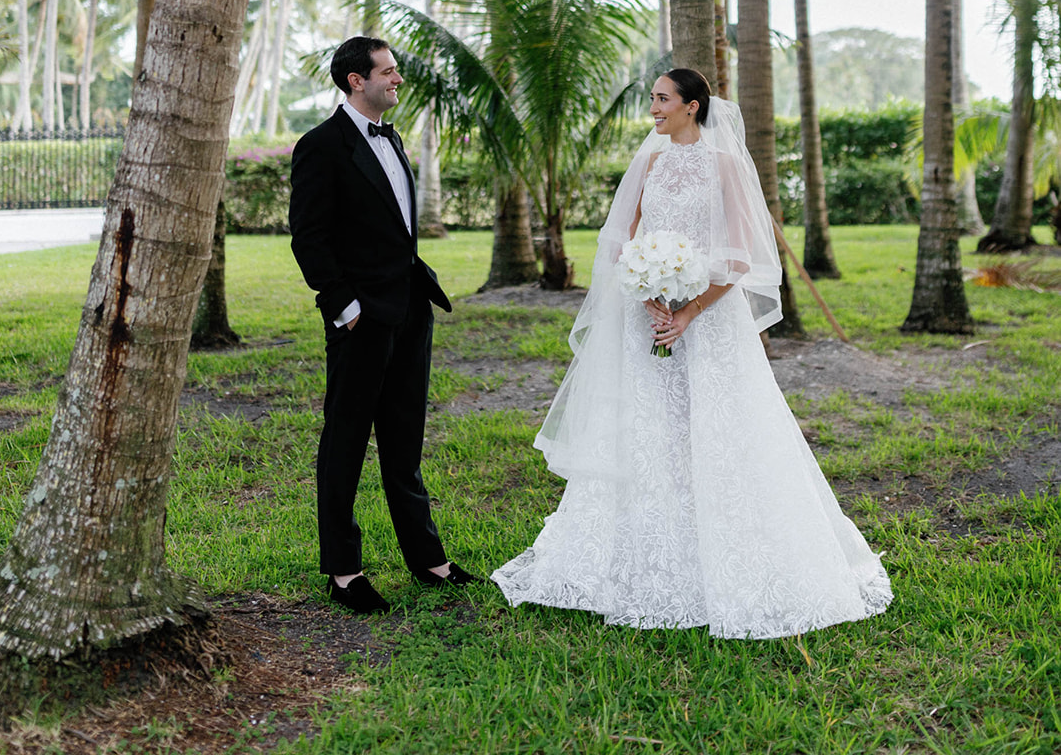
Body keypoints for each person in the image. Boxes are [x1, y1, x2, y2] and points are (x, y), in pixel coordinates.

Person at [493, 68, 892, 636]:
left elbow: (741, 256)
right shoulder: (651, 162)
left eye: (662, 99)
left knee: (716, 426)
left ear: (692, 105)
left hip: (708, 319)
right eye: (653, 100)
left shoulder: (725, 164)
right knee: (650, 426)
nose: (653, 108)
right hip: (649, 316)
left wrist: (688, 310)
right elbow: (622, 238)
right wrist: (645, 288)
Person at [289, 35, 476, 614]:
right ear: (355, 80)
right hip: (360, 321)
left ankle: (427, 560)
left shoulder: (392, 137)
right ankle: (344, 572)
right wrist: (345, 308)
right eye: (388, 72)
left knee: (405, 443)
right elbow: (309, 238)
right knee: (344, 442)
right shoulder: (320, 146)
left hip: (411, 312)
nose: (397, 80)